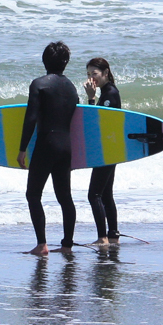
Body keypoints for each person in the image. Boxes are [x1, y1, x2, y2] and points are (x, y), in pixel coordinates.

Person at [17, 41, 78, 256]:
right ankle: (67, 245)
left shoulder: (39, 84)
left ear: (44, 60)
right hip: (65, 147)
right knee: (65, 198)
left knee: (33, 194)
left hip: (46, 145)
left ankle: (42, 244)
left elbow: (30, 118)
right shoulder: (72, 88)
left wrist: (22, 148)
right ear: (66, 62)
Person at [83, 57, 121, 246]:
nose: (91, 78)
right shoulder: (108, 92)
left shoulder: (110, 94)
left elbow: (97, 123)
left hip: (106, 150)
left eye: (94, 74)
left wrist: (91, 98)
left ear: (106, 73)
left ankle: (103, 238)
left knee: (94, 195)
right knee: (106, 194)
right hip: (110, 149)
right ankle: (113, 235)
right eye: (88, 74)